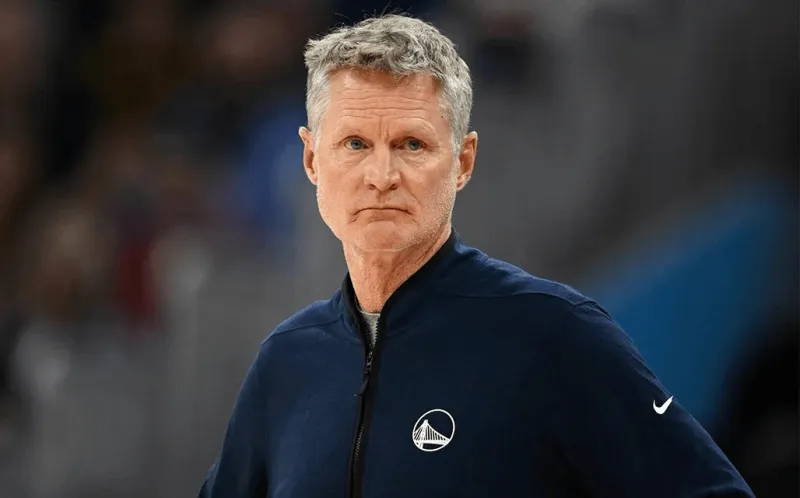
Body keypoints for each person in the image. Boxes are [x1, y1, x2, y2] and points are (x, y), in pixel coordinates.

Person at [198, 14, 754, 498]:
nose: (382, 176)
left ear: (462, 162)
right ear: (312, 161)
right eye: (356, 144)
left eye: (412, 144)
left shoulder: (554, 335)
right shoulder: (285, 362)